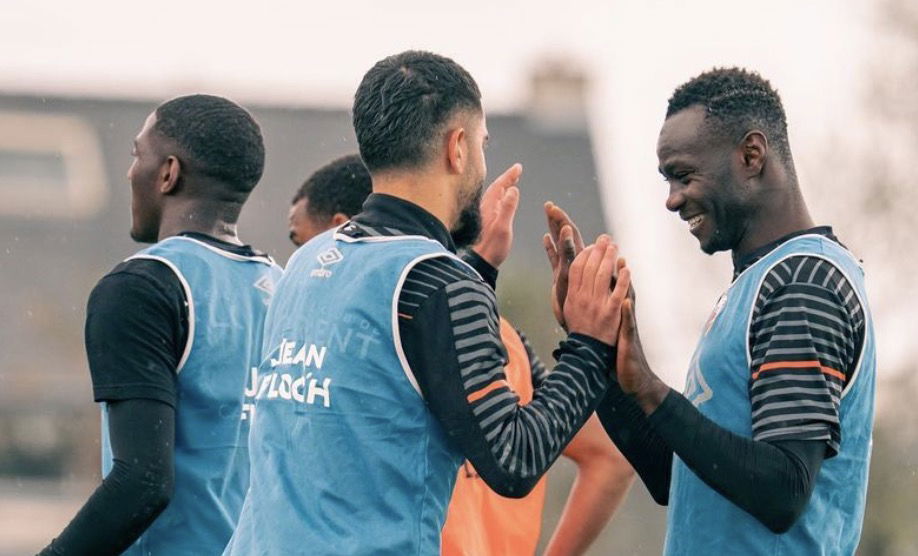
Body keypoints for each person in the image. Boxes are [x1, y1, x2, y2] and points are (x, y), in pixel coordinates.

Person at [225, 50, 631, 555]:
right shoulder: (438, 281)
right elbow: (513, 459)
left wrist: (476, 271)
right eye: (482, 145)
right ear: (457, 148)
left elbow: (387, 385)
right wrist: (590, 344)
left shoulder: (305, 264)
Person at [565, 68, 874, 555]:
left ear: (752, 155)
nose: (671, 200)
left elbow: (782, 493)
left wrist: (650, 386)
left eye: (684, 175)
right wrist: (602, 352)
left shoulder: (801, 285)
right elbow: (680, 477)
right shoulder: (756, 287)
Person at [287, 154, 634, 556]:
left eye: (299, 242)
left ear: (339, 231)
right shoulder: (506, 340)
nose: (298, 261)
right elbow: (610, 457)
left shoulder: (350, 347)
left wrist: (589, 346)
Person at [41, 95, 283, 555]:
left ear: (169, 173)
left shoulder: (143, 286)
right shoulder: (285, 286)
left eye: (137, 155)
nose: (131, 172)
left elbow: (143, 481)